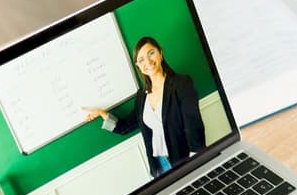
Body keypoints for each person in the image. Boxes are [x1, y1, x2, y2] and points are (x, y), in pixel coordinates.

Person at [85, 36, 206, 178]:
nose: (147, 61)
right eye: (141, 59)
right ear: (138, 67)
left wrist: (196, 161)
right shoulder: (142, 96)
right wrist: (102, 114)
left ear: (160, 53)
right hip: (158, 166)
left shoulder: (181, 84)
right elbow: (126, 127)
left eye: (151, 53)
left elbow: (194, 124)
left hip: (184, 161)